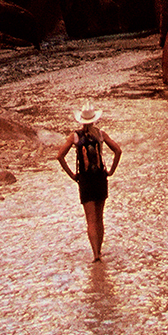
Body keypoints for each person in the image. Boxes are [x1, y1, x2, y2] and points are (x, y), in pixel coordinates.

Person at [57, 105, 121, 261]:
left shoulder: (75, 137)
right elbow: (118, 150)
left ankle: (95, 255)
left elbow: (60, 156)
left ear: (81, 120)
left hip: (85, 181)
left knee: (90, 220)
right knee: (100, 218)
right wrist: (111, 171)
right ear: (94, 119)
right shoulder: (100, 134)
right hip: (100, 178)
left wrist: (72, 174)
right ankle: (100, 250)